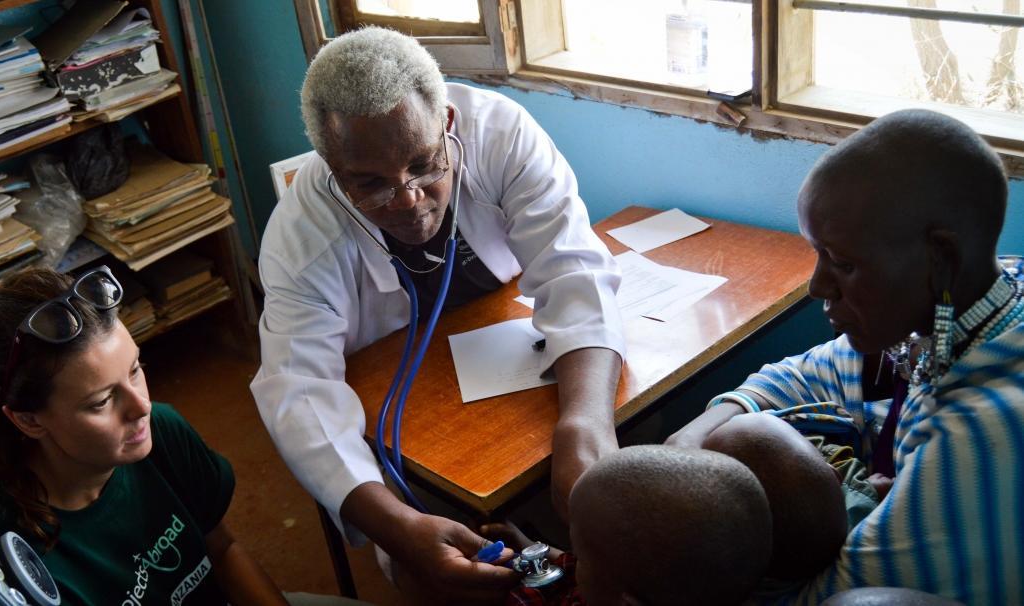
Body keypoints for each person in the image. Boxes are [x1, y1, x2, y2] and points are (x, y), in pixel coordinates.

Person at [252, 27, 624, 601]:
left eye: (425, 165)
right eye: (369, 184)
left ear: (448, 123)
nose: (407, 200)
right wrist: (398, 529)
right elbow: (298, 392)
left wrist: (585, 426)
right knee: (430, 575)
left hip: (507, 370)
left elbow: (575, 272)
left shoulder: (498, 133)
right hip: (406, 420)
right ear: (330, 169)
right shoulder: (301, 237)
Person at [666, 109, 1024, 604]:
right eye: (818, 254)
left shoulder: (982, 435)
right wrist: (685, 447)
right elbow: (802, 377)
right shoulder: (969, 301)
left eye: (844, 263)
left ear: (941, 257)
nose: (817, 286)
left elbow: (831, 597)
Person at [0, 266, 323, 605]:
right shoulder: (17, 559)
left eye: (135, 369)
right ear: (29, 421)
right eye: (102, 401)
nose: (141, 407)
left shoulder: (162, 430)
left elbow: (222, 550)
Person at [484, 445, 781, 606]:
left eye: (581, 552)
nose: (574, 557)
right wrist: (526, 546)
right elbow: (576, 568)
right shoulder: (626, 578)